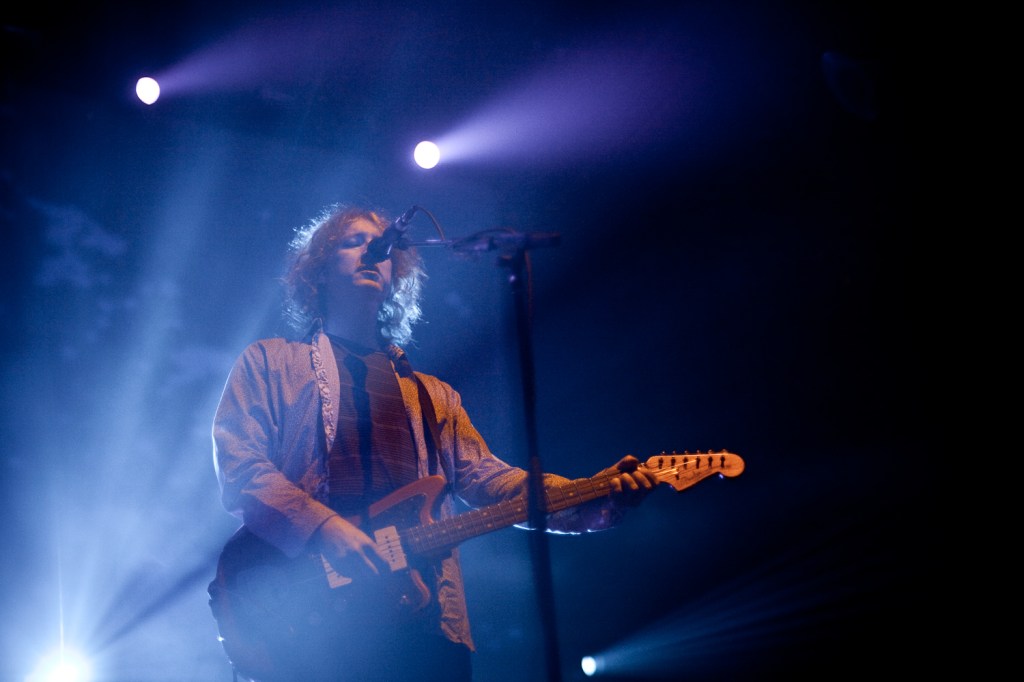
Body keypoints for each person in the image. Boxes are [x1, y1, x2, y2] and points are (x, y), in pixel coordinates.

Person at [208, 203, 660, 682]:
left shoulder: (434, 395)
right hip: (312, 623)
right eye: (353, 241)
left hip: (420, 626)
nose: (372, 250)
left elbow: (493, 481)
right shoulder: (271, 364)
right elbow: (241, 467)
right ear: (318, 272)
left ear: (395, 276)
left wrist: (592, 497)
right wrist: (324, 528)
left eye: (381, 246)